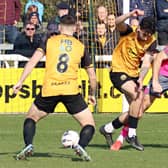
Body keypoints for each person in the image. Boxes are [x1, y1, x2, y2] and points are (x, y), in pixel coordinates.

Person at [13, 15, 96, 161]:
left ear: (59, 28)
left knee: (31, 117)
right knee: (89, 124)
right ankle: (81, 146)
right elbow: (92, 76)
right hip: (71, 90)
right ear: (75, 29)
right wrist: (92, 93)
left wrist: (20, 81)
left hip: (50, 89)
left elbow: (32, 62)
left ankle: (28, 145)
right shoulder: (80, 46)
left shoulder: (49, 41)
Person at [99, 9, 156, 151]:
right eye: (144, 33)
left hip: (134, 74)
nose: (145, 37)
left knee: (137, 111)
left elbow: (146, 63)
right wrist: (130, 15)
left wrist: (141, 78)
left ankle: (108, 128)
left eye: (149, 35)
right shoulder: (129, 31)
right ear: (139, 29)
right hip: (118, 71)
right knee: (138, 95)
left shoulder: (151, 42)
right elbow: (115, 22)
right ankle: (131, 134)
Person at [111, 47, 168, 151]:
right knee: (139, 110)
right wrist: (155, 81)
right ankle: (119, 136)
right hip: (163, 76)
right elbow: (158, 58)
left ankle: (108, 129)